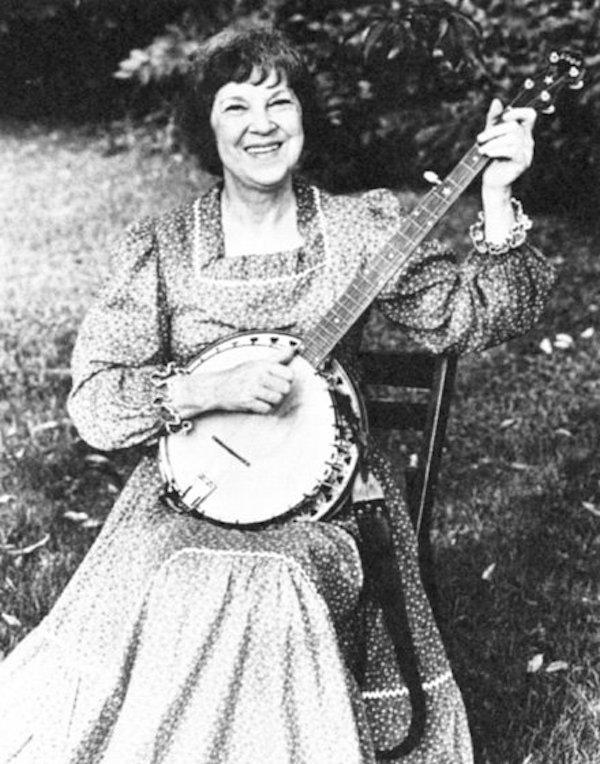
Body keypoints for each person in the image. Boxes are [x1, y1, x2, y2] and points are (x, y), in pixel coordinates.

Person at [0, 22, 555, 764]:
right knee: (192, 580)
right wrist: (202, 388)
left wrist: (495, 195)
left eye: (279, 103)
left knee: (267, 587)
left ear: (304, 118)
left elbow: (475, 316)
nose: (261, 125)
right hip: (186, 501)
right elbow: (96, 406)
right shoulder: (163, 247)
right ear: (207, 128)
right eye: (236, 106)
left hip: (333, 506)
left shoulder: (359, 230)